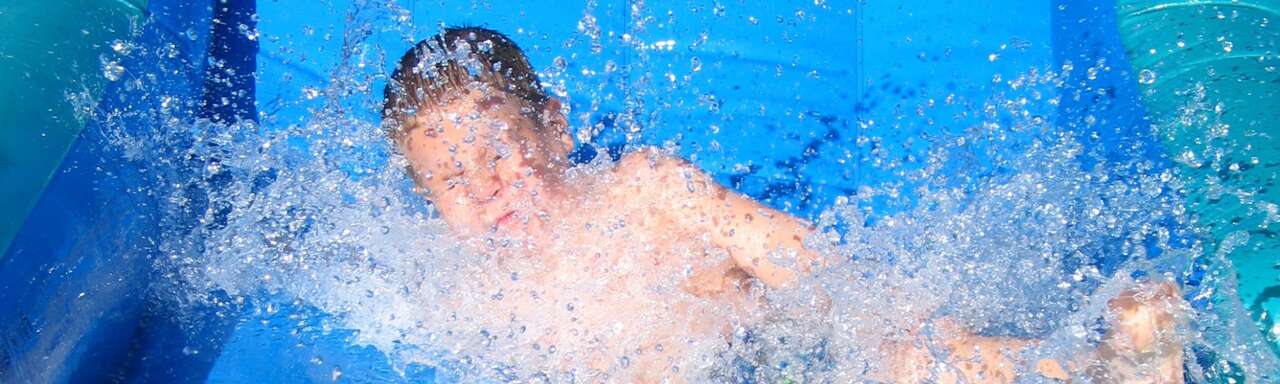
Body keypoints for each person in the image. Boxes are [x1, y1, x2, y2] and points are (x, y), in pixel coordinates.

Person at [381, 26, 1186, 383]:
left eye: (498, 152)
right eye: (451, 180)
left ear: (554, 127)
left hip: (776, 361)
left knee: (907, 360)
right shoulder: (457, 297)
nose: (485, 188)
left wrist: (873, 307)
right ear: (425, 197)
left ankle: (1106, 365)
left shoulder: (640, 189)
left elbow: (776, 247)